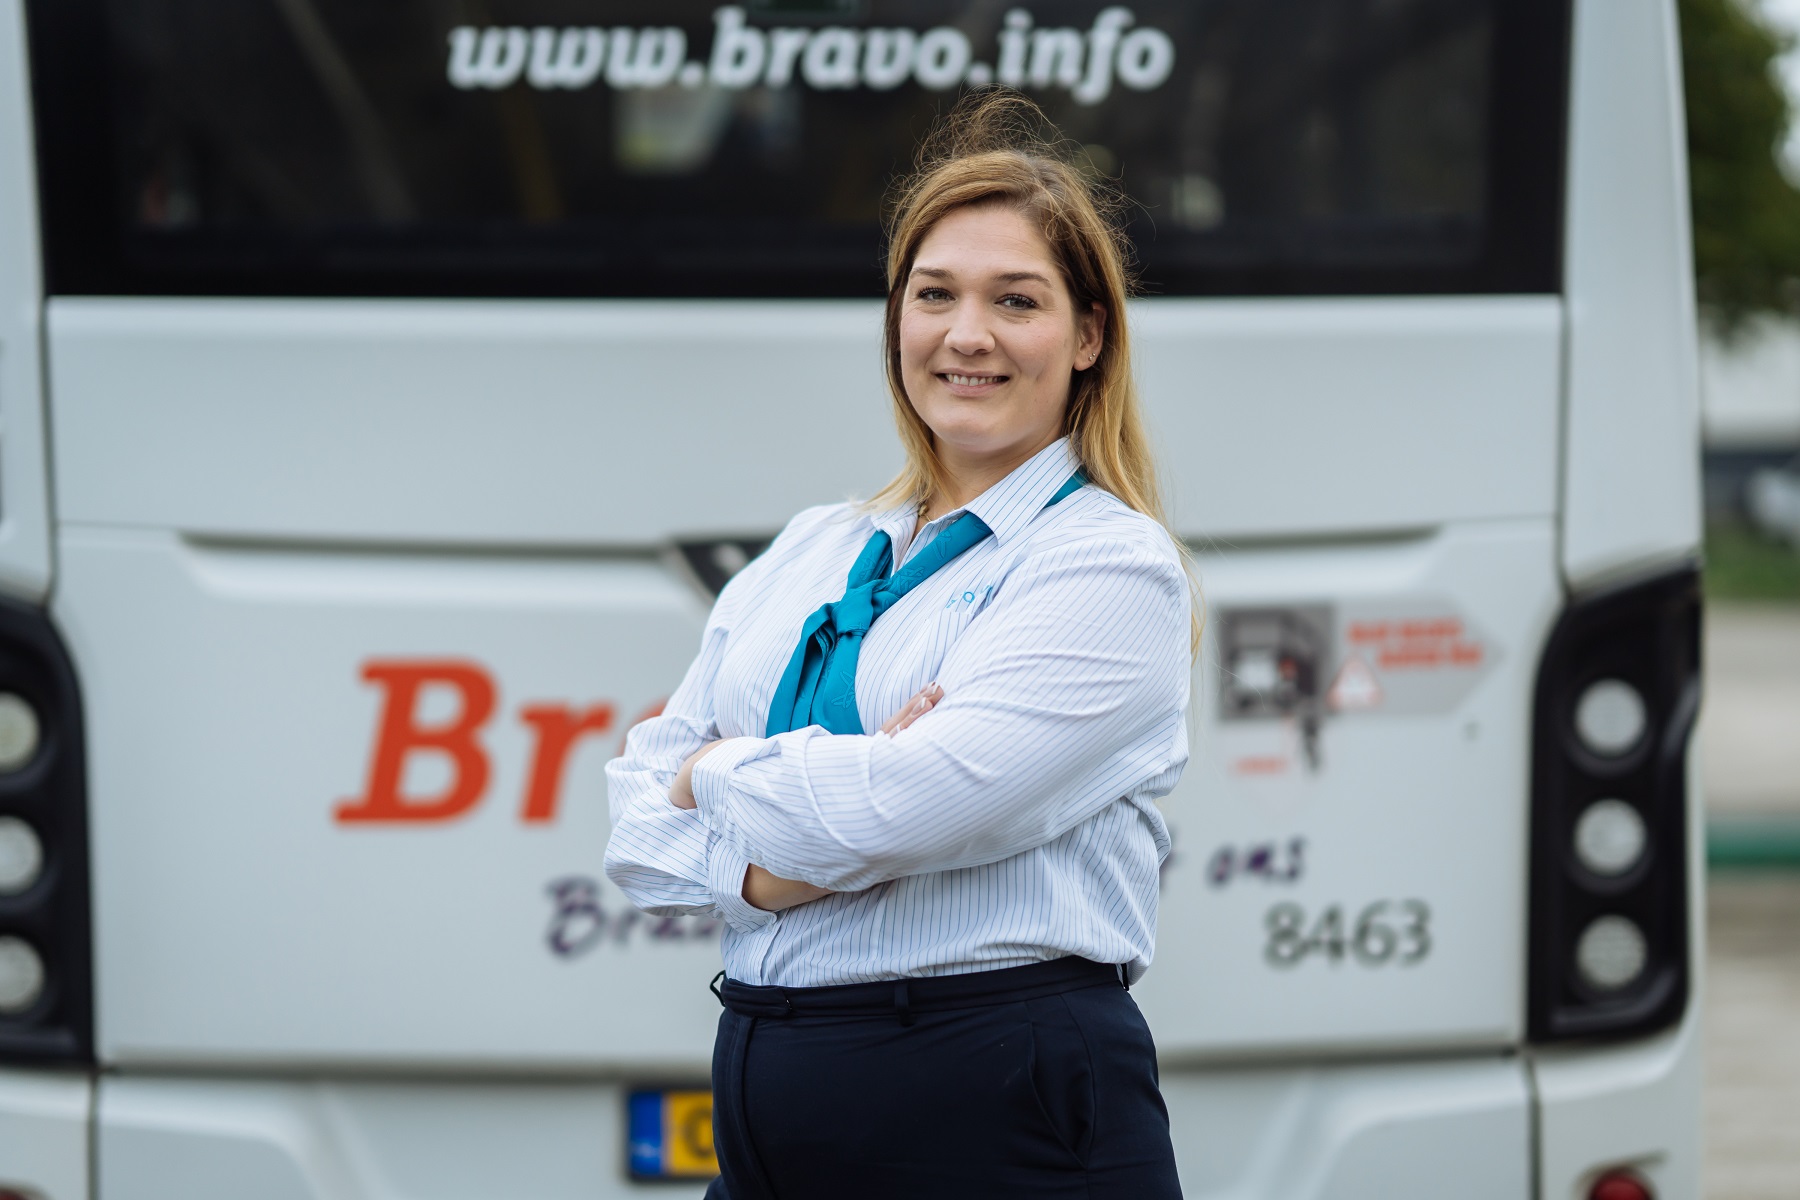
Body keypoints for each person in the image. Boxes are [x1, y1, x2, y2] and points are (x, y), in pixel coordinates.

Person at [604, 90, 1197, 1200]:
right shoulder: (812, 548)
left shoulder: (1107, 567)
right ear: (896, 321)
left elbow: (897, 807)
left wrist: (707, 772)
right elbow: (634, 836)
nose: (965, 334)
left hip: (990, 1107)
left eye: (1015, 301)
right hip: (771, 1111)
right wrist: (826, 803)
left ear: (1086, 335)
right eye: (934, 296)